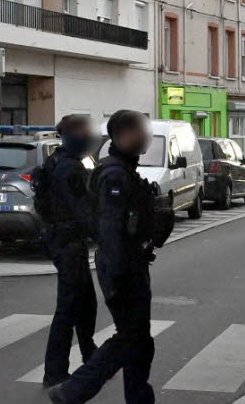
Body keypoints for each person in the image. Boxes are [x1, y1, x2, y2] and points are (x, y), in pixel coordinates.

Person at [49, 110, 158, 404]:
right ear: (123, 136)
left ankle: (137, 398)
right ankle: (72, 390)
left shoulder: (124, 170)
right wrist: (120, 278)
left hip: (128, 264)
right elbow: (110, 230)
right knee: (129, 337)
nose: (145, 137)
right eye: (140, 131)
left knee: (139, 341)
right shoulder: (114, 175)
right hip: (122, 268)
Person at [38, 115, 99, 388]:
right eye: (86, 131)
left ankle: (90, 354)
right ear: (74, 134)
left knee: (85, 302)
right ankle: (54, 372)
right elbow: (82, 209)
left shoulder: (56, 161)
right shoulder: (69, 169)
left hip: (62, 240)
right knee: (69, 308)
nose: (90, 136)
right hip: (68, 242)